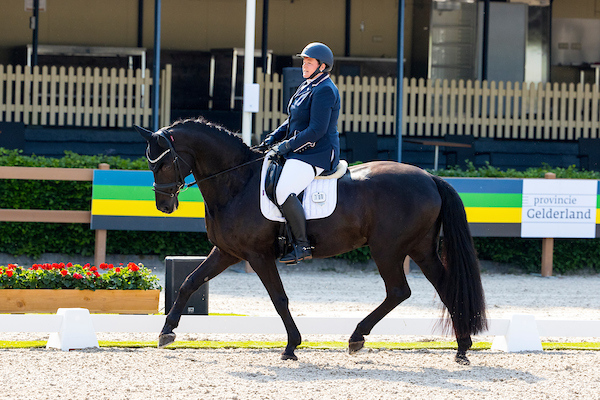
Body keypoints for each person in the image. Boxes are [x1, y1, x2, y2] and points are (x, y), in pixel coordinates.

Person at [261, 42, 341, 264]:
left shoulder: (325, 89)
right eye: (304, 61)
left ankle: (302, 245)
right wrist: (274, 137)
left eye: (309, 62)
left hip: (319, 153)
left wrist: (286, 146)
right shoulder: (307, 85)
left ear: (322, 66)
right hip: (302, 149)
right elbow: (293, 119)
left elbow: (316, 130)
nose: (304, 65)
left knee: (284, 190)